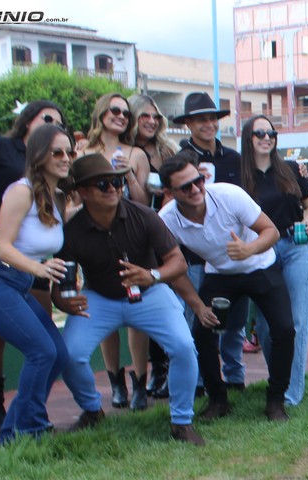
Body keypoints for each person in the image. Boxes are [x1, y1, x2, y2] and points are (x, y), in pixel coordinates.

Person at [54, 154, 209, 446]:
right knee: (70, 354)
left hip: (150, 293)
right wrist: (64, 302)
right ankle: (92, 410)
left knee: (183, 345)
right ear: (83, 192)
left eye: (117, 181)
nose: (114, 188)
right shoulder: (72, 231)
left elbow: (177, 263)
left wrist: (151, 275)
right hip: (99, 296)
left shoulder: (144, 215)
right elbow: (61, 283)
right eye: (103, 184)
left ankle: (182, 422)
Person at [157, 153, 294, 423]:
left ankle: (276, 399)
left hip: (261, 265)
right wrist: (198, 306)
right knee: (202, 332)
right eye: (185, 187)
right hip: (220, 273)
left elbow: (271, 231)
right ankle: (218, 399)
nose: (196, 189)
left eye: (198, 180)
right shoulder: (166, 219)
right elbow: (173, 267)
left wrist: (249, 248)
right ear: (169, 193)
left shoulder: (229, 195)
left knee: (284, 329)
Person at [0, 125, 72, 443]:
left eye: (69, 152)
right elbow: (2, 247)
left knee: (57, 354)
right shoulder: (21, 191)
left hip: (16, 282)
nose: (65, 158)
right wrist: (39, 268)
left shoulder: (56, 196)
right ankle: (29, 430)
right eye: (57, 152)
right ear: (39, 155)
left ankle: (16, 428)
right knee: (41, 351)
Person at [237, 115, 308, 406]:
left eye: (271, 133)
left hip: (296, 247)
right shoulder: (239, 176)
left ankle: (290, 393)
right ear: (248, 138)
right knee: (267, 325)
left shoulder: (290, 170)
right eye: (259, 133)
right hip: (262, 252)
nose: (266, 138)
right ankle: (279, 378)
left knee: (296, 321)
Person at [80, 92, 154, 411]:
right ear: (101, 113)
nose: (121, 116)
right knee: (103, 308)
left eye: (125, 113)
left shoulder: (136, 154)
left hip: (130, 236)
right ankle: (115, 382)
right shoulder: (83, 152)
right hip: (94, 237)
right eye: (114, 110)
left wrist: (128, 174)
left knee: (136, 308)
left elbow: (143, 202)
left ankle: (140, 382)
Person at [174, 92, 248, 393]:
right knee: (196, 317)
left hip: (231, 252)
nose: (209, 124)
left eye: (212, 118)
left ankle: (235, 375)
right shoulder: (181, 159)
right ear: (188, 124)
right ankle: (200, 380)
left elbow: (245, 202)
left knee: (235, 319)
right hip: (195, 254)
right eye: (201, 119)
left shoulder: (233, 158)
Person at [129, 93, 179, 402]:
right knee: (141, 303)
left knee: (168, 301)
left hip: (167, 230)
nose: (150, 121)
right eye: (144, 116)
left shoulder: (168, 150)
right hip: (134, 233)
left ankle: (168, 368)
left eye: (155, 116)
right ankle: (153, 370)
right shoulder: (124, 151)